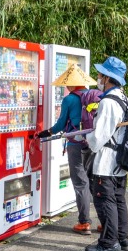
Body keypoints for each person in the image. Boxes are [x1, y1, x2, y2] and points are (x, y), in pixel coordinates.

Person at [37, 64, 98, 235]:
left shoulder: (69, 99)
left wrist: (45, 133)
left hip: (76, 145)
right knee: (94, 182)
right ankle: (104, 222)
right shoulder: (93, 96)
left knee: (80, 182)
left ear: (70, 84)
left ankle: (84, 222)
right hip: (93, 143)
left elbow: (60, 125)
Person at [83, 56, 128, 251]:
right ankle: (122, 238)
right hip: (120, 160)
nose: (98, 78)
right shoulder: (123, 98)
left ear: (108, 78)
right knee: (119, 199)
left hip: (106, 161)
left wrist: (86, 137)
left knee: (105, 200)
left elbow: (99, 137)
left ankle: (109, 243)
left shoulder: (108, 103)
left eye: (101, 74)